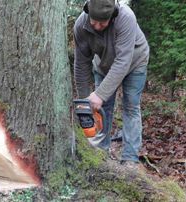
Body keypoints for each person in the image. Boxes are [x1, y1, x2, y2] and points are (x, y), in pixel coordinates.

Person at [73, 0, 149, 167]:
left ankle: (130, 158)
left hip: (134, 61)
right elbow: (81, 64)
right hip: (103, 65)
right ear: (88, 13)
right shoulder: (81, 25)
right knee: (103, 107)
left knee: (131, 105)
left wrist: (100, 94)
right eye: (94, 22)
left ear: (112, 16)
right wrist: (85, 99)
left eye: (103, 22)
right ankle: (101, 151)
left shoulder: (126, 18)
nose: (98, 26)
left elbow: (123, 61)